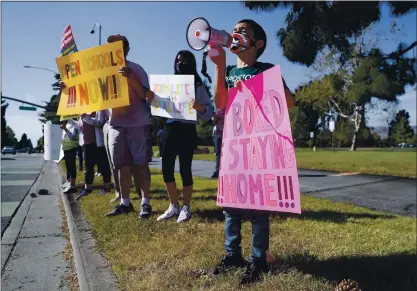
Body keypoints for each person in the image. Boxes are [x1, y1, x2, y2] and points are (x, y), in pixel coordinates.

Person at [208, 19, 294, 285]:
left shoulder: (266, 70)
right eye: (235, 29)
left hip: (259, 146)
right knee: (231, 207)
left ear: (258, 44)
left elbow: (289, 101)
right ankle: (232, 254)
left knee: (258, 207)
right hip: (234, 146)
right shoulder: (229, 71)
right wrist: (221, 67)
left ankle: (258, 258)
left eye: (243, 31)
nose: (236, 33)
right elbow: (220, 102)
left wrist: (264, 84)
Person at [157, 50, 214, 223]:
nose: (181, 63)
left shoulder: (197, 84)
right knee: (166, 167)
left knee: (185, 169)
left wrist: (200, 107)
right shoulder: (169, 83)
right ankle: (173, 205)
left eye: (184, 60)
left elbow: (208, 112)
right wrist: (154, 99)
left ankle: (186, 207)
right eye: (178, 60)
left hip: (187, 129)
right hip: (170, 127)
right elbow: (160, 105)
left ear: (191, 63)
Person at [104, 34, 154, 219]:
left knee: (140, 164)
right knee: (121, 165)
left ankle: (145, 202)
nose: (115, 47)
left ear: (127, 49)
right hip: (115, 124)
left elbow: (147, 96)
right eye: (111, 45)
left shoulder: (137, 69)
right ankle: (125, 203)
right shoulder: (102, 71)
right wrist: (67, 87)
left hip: (137, 124)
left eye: (120, 45)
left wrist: (132, 79)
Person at [80, 110, 112, 195]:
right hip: (87, 143)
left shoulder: (99, 109)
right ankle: (88, 188)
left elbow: (100, 123)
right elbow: (80, 126)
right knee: (88, 166)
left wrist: (85, 117)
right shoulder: (82, 110)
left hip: (98, 143)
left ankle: (107, 187)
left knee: (104, 166)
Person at [61, 119, 80, 194]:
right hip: (66, 148)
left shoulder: (75, 124)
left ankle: (73, 186)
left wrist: (65, 129)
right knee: (68, 166)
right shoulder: (66, 123)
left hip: (72, 148)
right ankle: (69, 182)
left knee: (72, 166)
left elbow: (74, 137)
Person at [211, 109, 225, 179]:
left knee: (226, 153)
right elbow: (213, 121)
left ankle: (225, 170)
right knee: (218, 154)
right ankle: (217, 171)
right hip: (217, 133)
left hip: (227, 133)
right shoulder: (216, 110)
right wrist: (214, 118)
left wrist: (220, 117)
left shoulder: (228, 108)